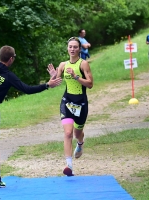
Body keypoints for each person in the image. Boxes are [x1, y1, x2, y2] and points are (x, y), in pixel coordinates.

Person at [0, 45, 62, 189]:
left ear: (0, 56)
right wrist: (47, 85)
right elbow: (27, 89)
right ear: (11, 59)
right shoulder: (8, 76)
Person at [47, 37, 93, 176]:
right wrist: (53, 77)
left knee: (77, 133)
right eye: (70, 47)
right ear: (67, 48)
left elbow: (90, 84)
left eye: (75, 47)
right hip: (67, 101)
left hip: (81, 103)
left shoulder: (83, 64)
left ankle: (80, 143)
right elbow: (55, 82)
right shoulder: (63, 64)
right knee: (67, 133)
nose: (72, 49)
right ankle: (69, 166)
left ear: (79, 49)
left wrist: (76, 77)